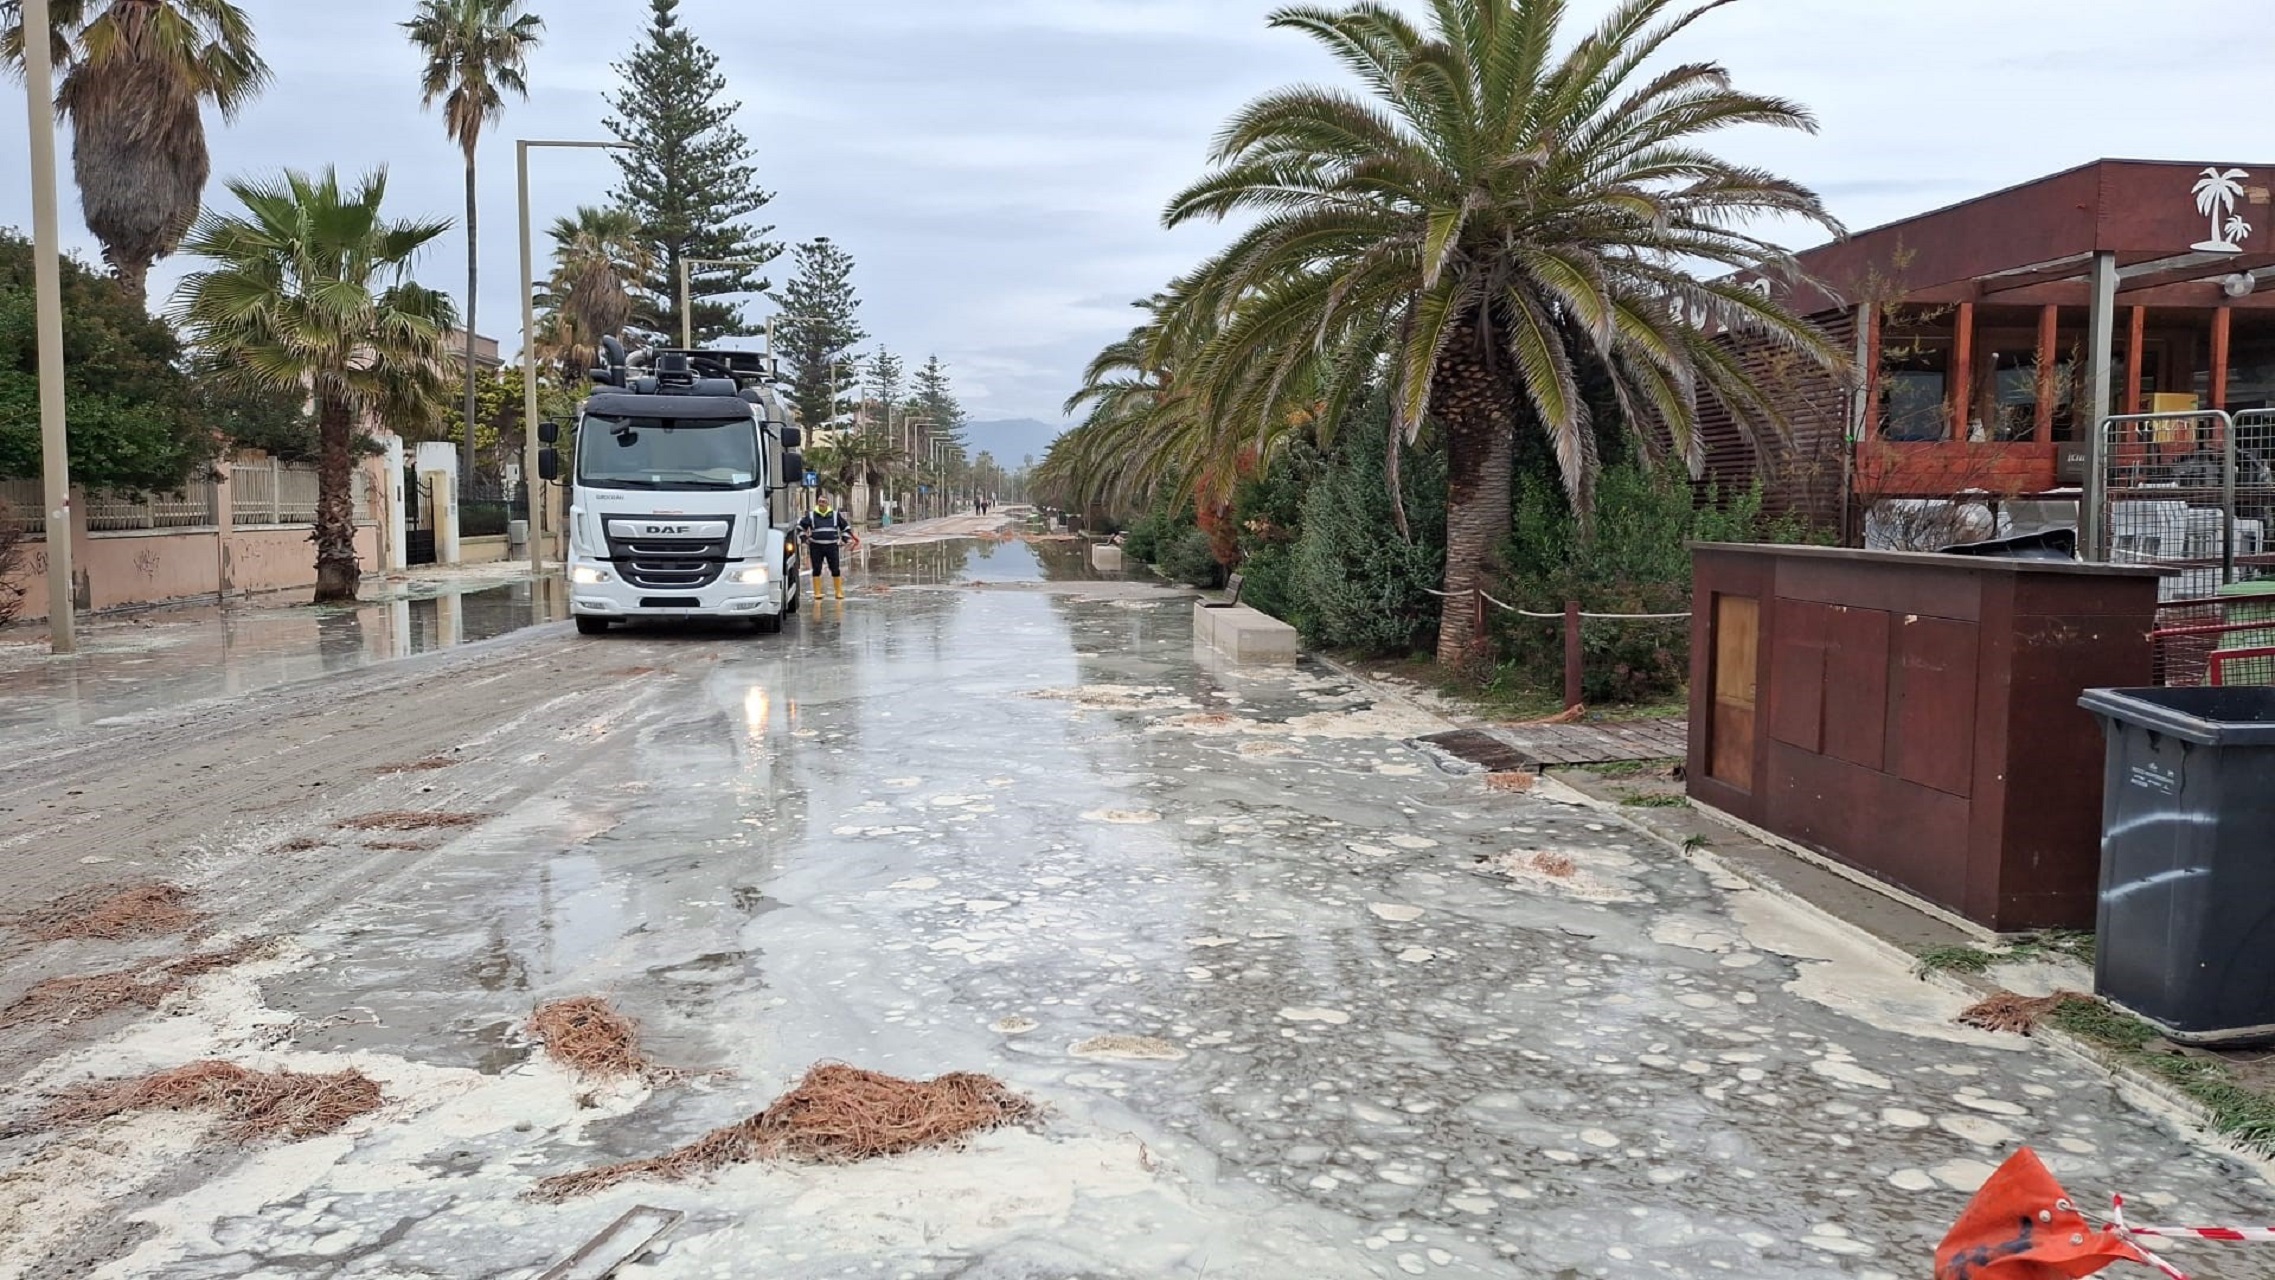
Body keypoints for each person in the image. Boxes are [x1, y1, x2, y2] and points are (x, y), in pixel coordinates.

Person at [798, 496, 860, 599]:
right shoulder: (811, 515)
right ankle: (817, 593)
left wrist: (844, 539)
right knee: (817, 569)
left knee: (835, 569)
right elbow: (800, 527)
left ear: (828, 504)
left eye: (824, 502)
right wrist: (804, 539)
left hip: (832, 546)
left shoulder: (835, 515)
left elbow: (845, 528)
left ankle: (838, 592)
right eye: (820, 502)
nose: (821, 504)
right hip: (816, 546)